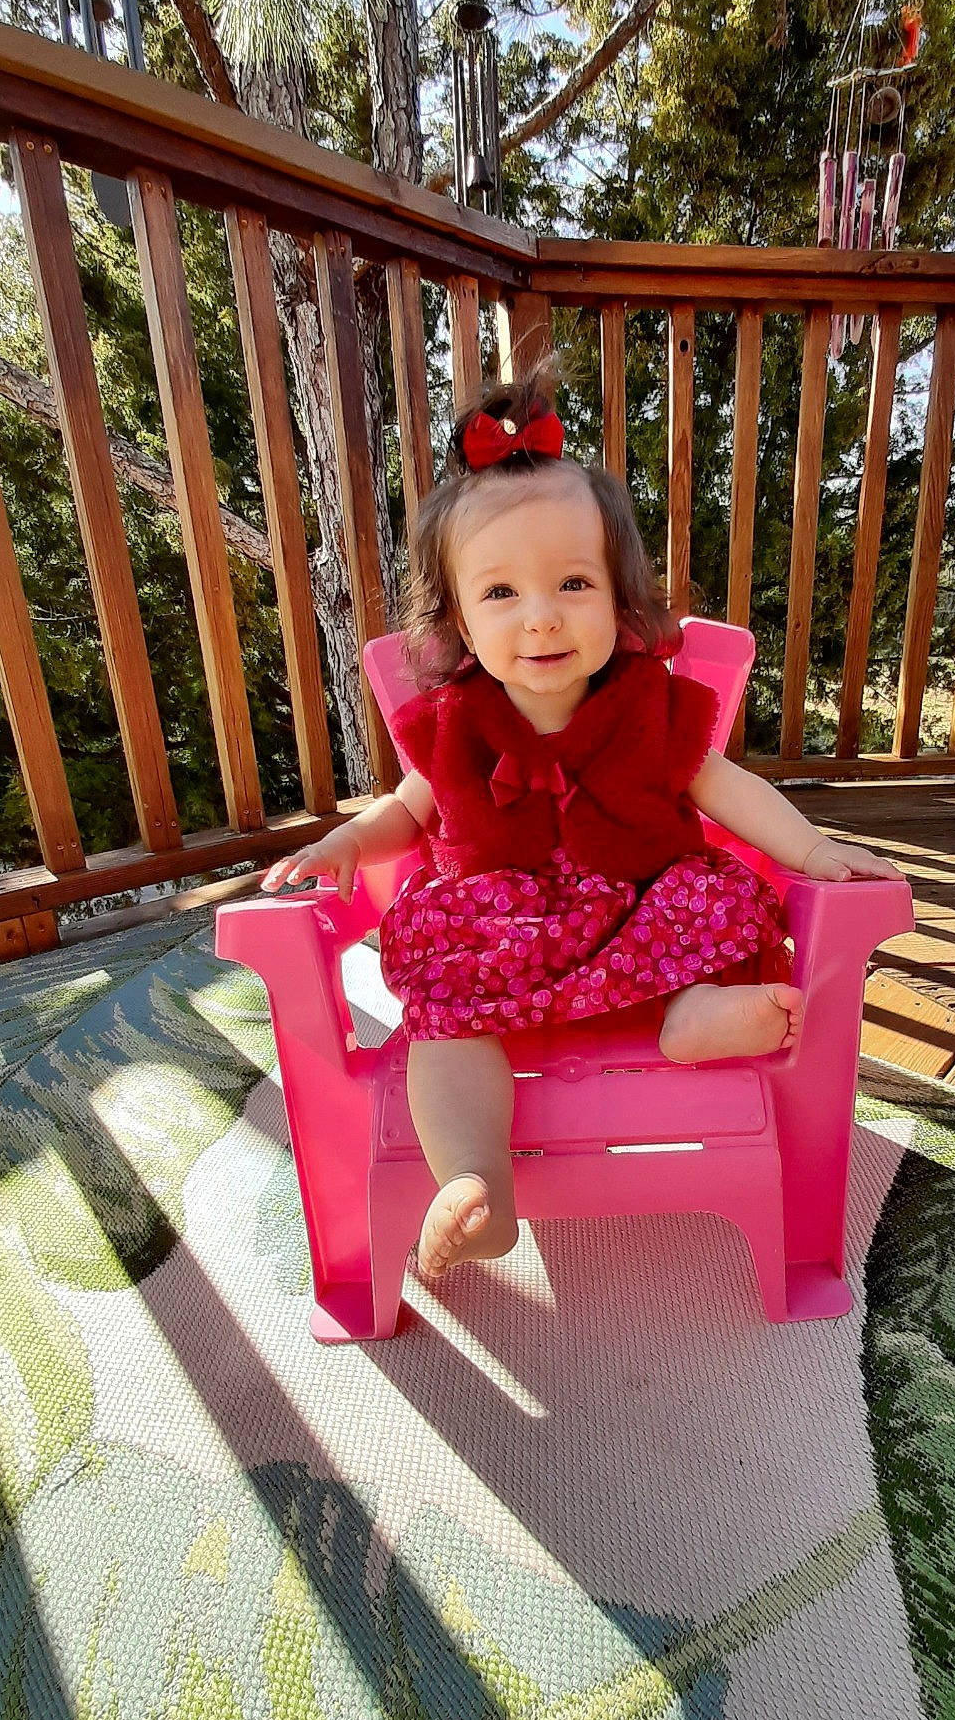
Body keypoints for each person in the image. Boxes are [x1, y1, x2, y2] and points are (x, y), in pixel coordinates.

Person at [263, 359, 903, 1284]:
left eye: (572, 583)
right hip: (497, 932)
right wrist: (345, 842)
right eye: (501, 594)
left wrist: (814, 849)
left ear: (619, 598)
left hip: (642, 907)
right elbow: (410, 808)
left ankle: (694, 1017)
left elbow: (723, 785)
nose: (542, 620)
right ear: (458, 624)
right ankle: (476, 1186)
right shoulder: (456, 721)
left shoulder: (649, 706)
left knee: (711, 910)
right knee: (444, 1024)